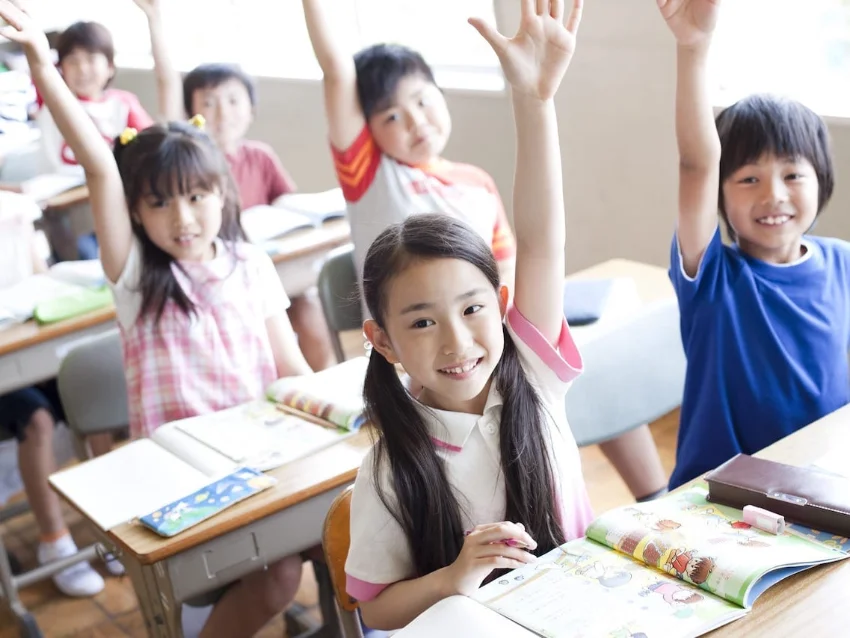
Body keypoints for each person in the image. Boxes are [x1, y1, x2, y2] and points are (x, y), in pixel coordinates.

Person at [0, 1, 314, 633]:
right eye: (159, 203)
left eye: (198, 196)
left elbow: (293, 371)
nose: (184, 218)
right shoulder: (139, 279)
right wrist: (40, 61)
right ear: (136, 213)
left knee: (345, 529)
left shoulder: (249, 263)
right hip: (181, 484)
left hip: (258, 464)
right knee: (281, 575)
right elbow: (96, 161)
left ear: (222, 191)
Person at [343, 1, 593, 629]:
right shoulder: (389, 464)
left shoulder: (533, 370)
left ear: (502, 306)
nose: (457, 341)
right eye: (422, 322)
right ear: (384, 340)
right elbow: (376, 610)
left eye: (473, 309)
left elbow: (541, 242)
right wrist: (455, 577)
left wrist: (534, 102)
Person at [658, 0, 848, 488]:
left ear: (821, 179)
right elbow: (696, 162)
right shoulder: (714, 277)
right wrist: (692, 48)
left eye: (792, 174)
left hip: (819, 486)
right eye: (748, 179)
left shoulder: (842, 263)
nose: (774, 195)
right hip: (717, 500)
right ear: (719, 195)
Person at [0, 190, 109, 596]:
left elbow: (38, 278)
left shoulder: (14, 208)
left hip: (28, 341)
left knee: (92, 392)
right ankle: (54, 540)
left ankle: (110, 521)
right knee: (38, 420)